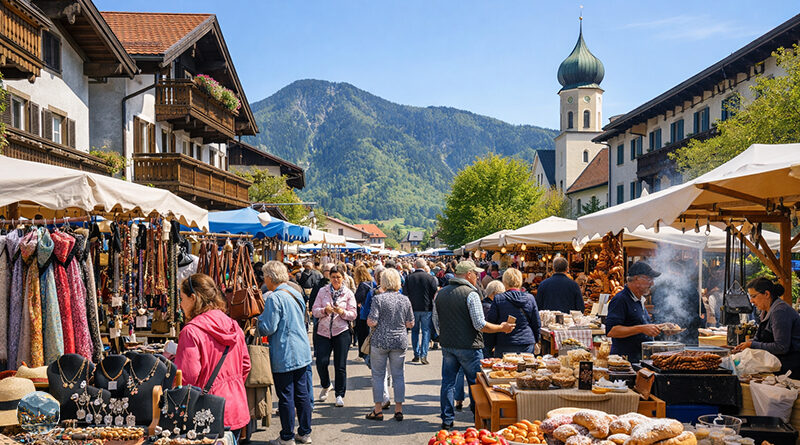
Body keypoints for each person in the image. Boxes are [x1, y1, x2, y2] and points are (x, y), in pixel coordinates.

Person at [433, 260, 515, 430]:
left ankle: (447, 419)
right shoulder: (471, 294)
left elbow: (435, 320)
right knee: (475, 383)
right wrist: (501, 327)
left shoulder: (440, 293)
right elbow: (480, 324)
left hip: (448, 345)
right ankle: (477, 415)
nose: (477, 277)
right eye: (475, 274)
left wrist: (444, 335)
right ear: (468, 274)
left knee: (448, 382)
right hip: (470, 346)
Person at [174, 274, 251, 440]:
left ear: (193, 298)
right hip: (236, 405)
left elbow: (187, 377)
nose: (180, 304)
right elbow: (245, 364)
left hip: (206, 411)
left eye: (182, 298)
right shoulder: (233, 325)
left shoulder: (191, 331)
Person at [258, 262, 313, 445]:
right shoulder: (295, 293)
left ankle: (287, 436)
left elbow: (268, 327)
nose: (264, 279)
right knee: (302, 394)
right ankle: (305, 433)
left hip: (285, 352)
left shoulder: (275, 298)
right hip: (302, 350)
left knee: (286, 396)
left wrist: (255, 325)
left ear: (270, 277)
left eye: (265, 276)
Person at [365, 268, 414, 421]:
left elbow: (372, 321)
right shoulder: (405, 300)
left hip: (380, 340)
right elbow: (410, 323)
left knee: (378, 376)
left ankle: (378, 409)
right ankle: (398, 409)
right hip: (399, 340)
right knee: (398, 375)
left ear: (383, 282)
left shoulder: (378, 299)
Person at [311, 264, 357, 407]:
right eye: (333, 277)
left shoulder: (348, 293)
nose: (335, 280)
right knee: (321, 362)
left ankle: (339, 394)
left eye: (338, 277)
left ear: (343, 278)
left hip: (341, 332)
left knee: (340, 365)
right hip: (323, 332)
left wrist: (342, 312)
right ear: (329, 278)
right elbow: (314, 310)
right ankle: (326, 384)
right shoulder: (322, 291)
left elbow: (353, 314)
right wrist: (325, 310)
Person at [733, 278, 800, 375]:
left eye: (753, 296)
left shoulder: (779, 311)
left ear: (767, 294)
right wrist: (747, 344)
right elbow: (759, 339)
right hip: (777, 364)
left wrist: (752, 345)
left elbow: (781, 347)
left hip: (790, 369)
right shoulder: (766, 311)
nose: (751, 301)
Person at [605, 261, 662, 363]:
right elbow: (611, 331)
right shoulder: (620, 299)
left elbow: (640, 325)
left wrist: (660, 327)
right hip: (625, 363)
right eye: (649, 279)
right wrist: (641, 329)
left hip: (638, 360)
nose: (652, 283)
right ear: (636, 279)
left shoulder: (639, 299)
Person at [486, 268, 541, 356]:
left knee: (504, 368)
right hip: (526, 343)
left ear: (504, 282)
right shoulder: (530, 298)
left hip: (504, 343)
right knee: (526, 369)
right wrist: (536, 341)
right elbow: (536, 323)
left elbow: (491, 322)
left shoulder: (498, 299)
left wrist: (489, 346)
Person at [403, 258, 439, 365]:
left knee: (414, 331)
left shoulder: (409, 278)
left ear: (415, 265)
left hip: (413, 308)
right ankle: (424, 354)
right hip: (426, 307)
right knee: (426, 331)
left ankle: (416, 354)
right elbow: (434, 292)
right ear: (424, 266)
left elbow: (405, 293)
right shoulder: (430, 278)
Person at [353, 265, 375, 358]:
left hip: (363, 311)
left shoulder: (362, 285)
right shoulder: (372, 283)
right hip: (372, 310)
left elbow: (358, 298)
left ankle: (362, 353)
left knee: (362, 333)